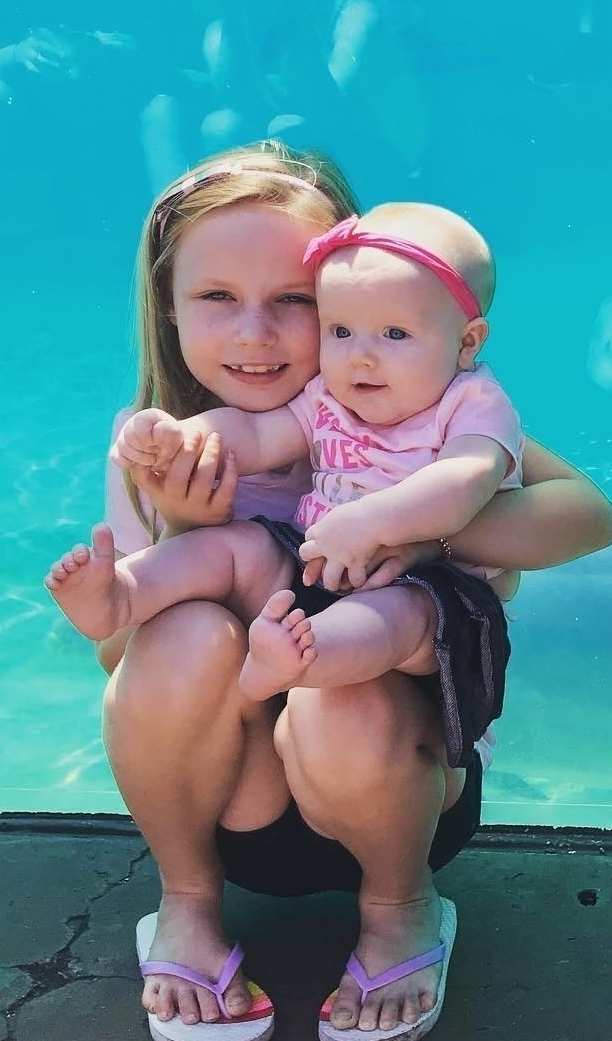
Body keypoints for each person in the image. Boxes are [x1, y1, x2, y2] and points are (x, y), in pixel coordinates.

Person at [80, 144, 612, 1041]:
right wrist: (183, 530)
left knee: (343, 691)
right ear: (167, 307)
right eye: (217, 297)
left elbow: (589, 517)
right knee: (183, 629)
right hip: (234, 800)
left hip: (395, 789)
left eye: (293, 299)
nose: (255, 333)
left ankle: (402, 908)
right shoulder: (156, 448)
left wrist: (419, 528)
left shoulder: (413, 408)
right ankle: (188, 901)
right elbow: (117, 659)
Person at [49, 199, 521, 721]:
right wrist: (184, 437)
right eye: (340, 331)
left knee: (397, 616)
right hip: (313, 562)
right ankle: (124, 595)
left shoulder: (473, 404)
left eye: (395, 334)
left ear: (467, 342)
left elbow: (463, 481)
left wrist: (371, 523)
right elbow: (255, 434)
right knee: (235, 546)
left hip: (427, 581)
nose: (360, 356)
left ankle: (304, 660)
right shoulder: (331, 395)